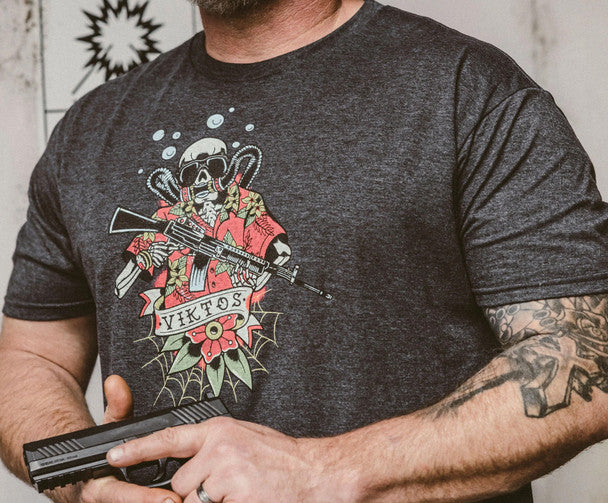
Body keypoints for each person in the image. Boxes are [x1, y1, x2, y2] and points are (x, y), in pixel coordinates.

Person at [1, 0, 608, 502]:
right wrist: (91, 484)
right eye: (195, 178)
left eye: (215, 175)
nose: (206, 186)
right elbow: (30, 358)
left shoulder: (467, 91)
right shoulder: (90, 132)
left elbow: (588, 358)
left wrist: (323, 472)